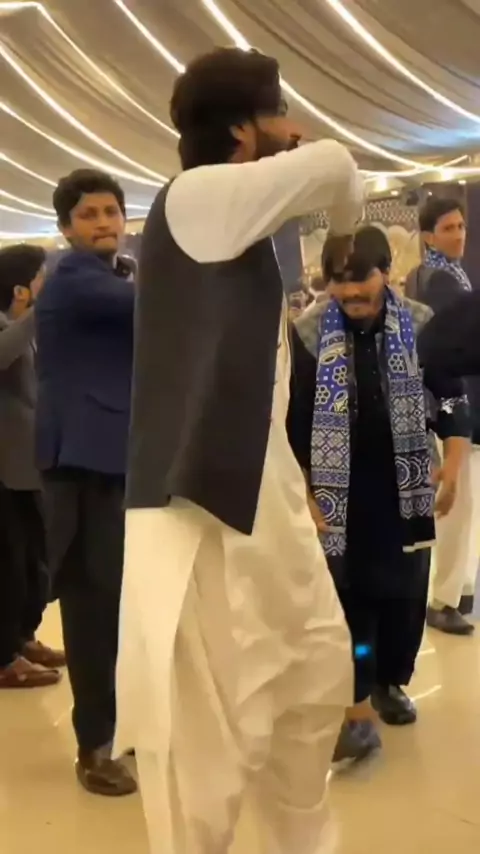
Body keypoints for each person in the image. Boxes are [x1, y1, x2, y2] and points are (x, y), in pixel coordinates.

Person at [114, 47, 363, 854]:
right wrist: (338, 211)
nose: (291, 129)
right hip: (199, 518)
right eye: (278, 112)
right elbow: (340, 169)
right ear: (242, 128)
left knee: (310, 681)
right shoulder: (196, 196)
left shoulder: (232, 223)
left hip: (260, 501)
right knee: (208, 748)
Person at [293, 225, 470, 763]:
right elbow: (292, 420)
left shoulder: (420, 322)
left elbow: (450, 397)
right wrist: (304, 489)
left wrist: (454, 464)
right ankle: (357, 691)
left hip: (406, 487)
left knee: (404, 593)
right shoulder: (306, 333)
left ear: (386, 273)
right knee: (349, 594)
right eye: (339, 284)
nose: (350, 295)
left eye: (361, 282)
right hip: (339, 491)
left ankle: (390, 681)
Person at [35, 169, 136, 796]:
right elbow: (158, 308)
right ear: (66, 228)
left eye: (111, 212)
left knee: (116, 606)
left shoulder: (110, 275)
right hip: (84, 468)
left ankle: (119, 728)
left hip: (111, 463)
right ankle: (95, 746)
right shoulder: (75, 275)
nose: (103, 223)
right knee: (94, 609)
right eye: (89, 214)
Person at [405, 197, 477, 634]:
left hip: (436, 403)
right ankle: (444, 599)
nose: (459, 235)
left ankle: (459, 589)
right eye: (449, 228)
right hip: (451, 406)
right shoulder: (444, 282)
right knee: (456, 501)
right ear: (429, 237)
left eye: (462, 226)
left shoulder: (425, 275)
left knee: (461, 501)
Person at [0, 244, 65, 688]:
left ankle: (23, 637)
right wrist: (40, 313)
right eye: (41, 276)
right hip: (5, 471)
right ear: (21, 288)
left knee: (33, 562)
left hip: (28, 466)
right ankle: (4, 655)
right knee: (9, 565)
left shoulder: (24, 328)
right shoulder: (13, 328)